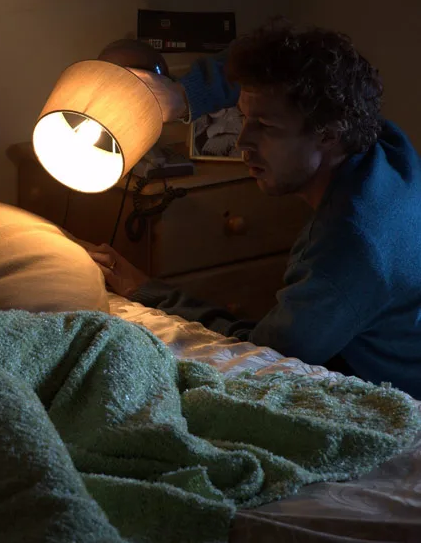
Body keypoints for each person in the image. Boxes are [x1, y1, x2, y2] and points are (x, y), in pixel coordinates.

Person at [87, 23, 421, 398]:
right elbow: (273, 71)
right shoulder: (383, 144)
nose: (243, 141)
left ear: (328, 134)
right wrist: (183, 96)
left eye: (265, 126)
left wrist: (147, 291)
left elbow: (261, 355)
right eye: (244, 116)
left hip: (396, 399)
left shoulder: (347, 248)